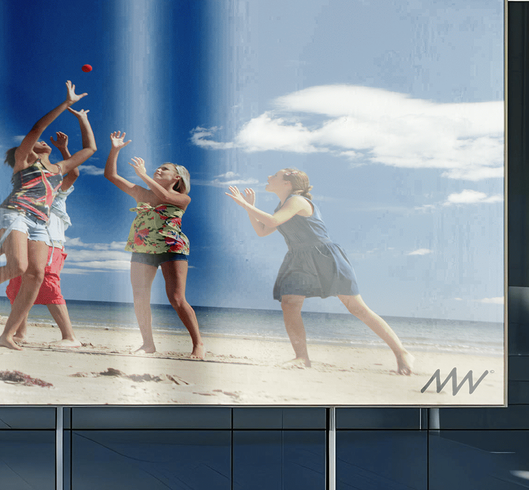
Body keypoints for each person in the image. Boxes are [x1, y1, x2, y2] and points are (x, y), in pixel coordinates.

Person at [224, 168, 415, 375]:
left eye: (275, 176)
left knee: (357, 308)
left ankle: (402, 353)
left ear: (288, 183)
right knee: (290, 303)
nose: (269, 177)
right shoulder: (283, 204)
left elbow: (271, 221)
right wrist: (250, 208)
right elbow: (262, 231)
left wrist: (244, 204)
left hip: (323, 255)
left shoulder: (297, 201)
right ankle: (301, 357)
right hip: (298, 258)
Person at [0, 100, 97, 329]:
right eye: (37, 143)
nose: (42, 141)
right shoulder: (23, 163)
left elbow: (90, 149)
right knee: (18, 268)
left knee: (36, 275)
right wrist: (66, 103)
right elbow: (37, 129)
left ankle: (9, 334)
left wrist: (82, 118)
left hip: (40, 221)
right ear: (28, 153)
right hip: (15, 213)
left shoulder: (59, 170)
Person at [103, 132, 203, 358]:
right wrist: (115, 150)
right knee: (139, 296)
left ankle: (198, 344)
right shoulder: (141, 193)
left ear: (176, 178)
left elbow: (166, 198)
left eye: (164, 169)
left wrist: (144, 175)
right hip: (142, 248)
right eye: (158, 168)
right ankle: (148, 344)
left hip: (171, 247)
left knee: (176, 299)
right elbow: (110, 175)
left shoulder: (183, 198)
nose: (159, 170)